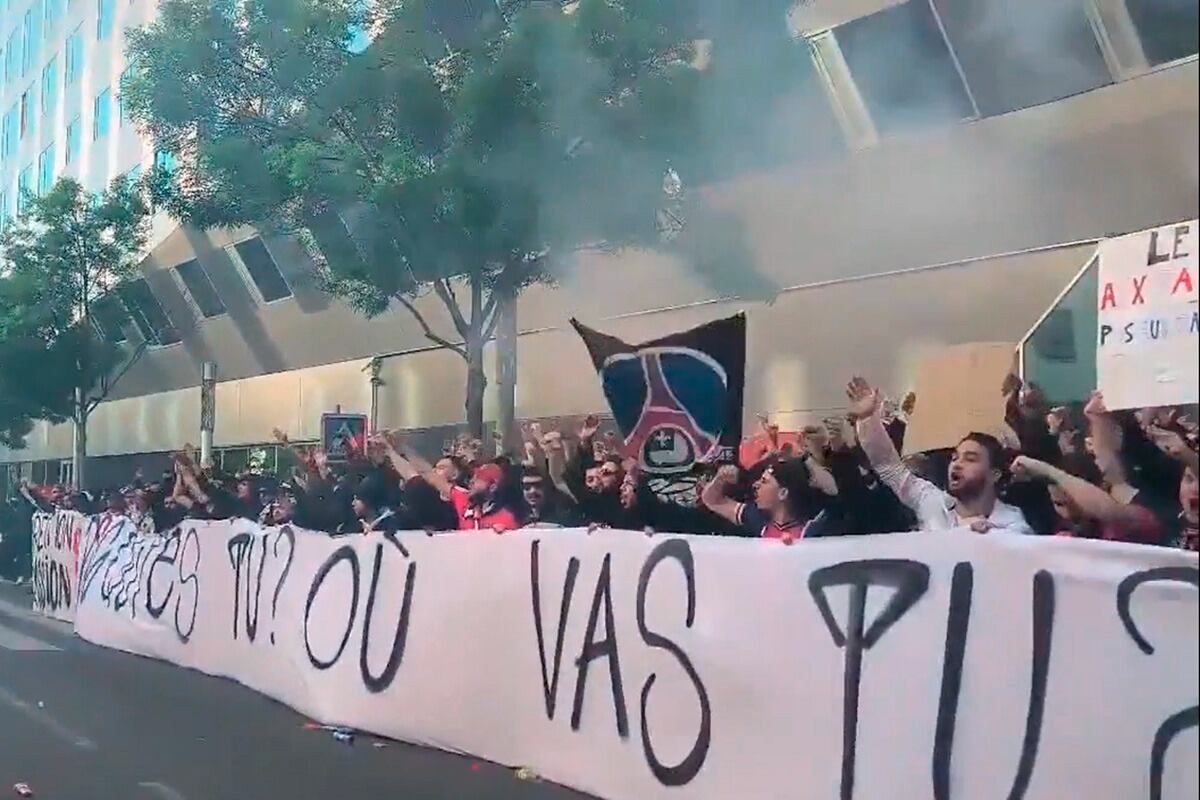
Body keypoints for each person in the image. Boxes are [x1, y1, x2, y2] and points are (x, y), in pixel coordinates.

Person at [846, 376, 1033, 534]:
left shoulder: (1012, 525)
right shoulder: (932, 503)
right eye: (955, 457)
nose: (957, 464)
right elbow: (890, 468)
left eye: (970, 459)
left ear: (994, 474)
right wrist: (867, 419)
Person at [1010, 455, 1163, 543]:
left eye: (1076, 503)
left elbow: (1108, 512)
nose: (1069, 514)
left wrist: (1048, 471)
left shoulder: (1135, 521)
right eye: (1059, 504)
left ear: (1101, 488)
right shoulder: (1062, 540)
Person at [701, 459, 832, 542]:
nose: (756, 485)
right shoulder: (758, 520)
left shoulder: (812, 531)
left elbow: (833, 492)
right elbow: (712, 501)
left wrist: (808, 459)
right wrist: (719, 480)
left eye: (764, 481)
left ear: (783, 493)